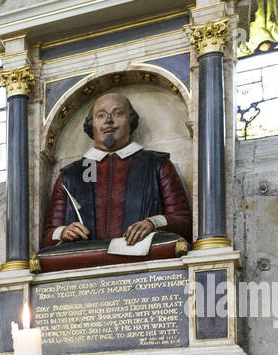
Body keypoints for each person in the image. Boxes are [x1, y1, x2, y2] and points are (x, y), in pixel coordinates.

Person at [41, 92, 192, 249]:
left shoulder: (156, 164)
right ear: (91, 124)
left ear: (130, 120)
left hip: (143, 258)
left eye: (118, 113)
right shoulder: (71, 174)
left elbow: (184, 223)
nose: (109, 121)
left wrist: (152, 223)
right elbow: (48, 237)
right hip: (87, 259)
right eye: (101, 115)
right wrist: (64, 231)